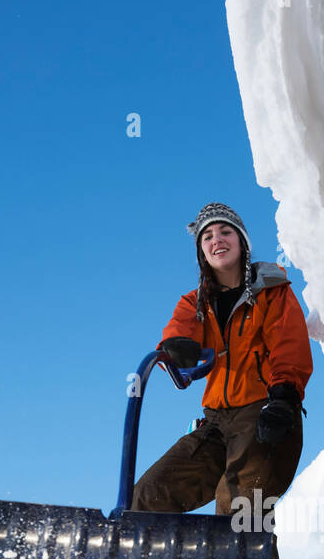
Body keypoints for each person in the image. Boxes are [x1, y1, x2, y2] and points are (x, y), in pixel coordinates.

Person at [131, 202, 313, 521]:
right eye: (208, 236)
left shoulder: (271, 290)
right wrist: (176, 348)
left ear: (242, 241)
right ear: (201, 251)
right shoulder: (196, 302)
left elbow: (289, 345)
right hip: (215, 421)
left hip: (265, 412)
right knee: (148, 495)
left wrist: (284, 397)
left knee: (238, 506)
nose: (217, 240)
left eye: (226, 231)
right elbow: (179, 332)